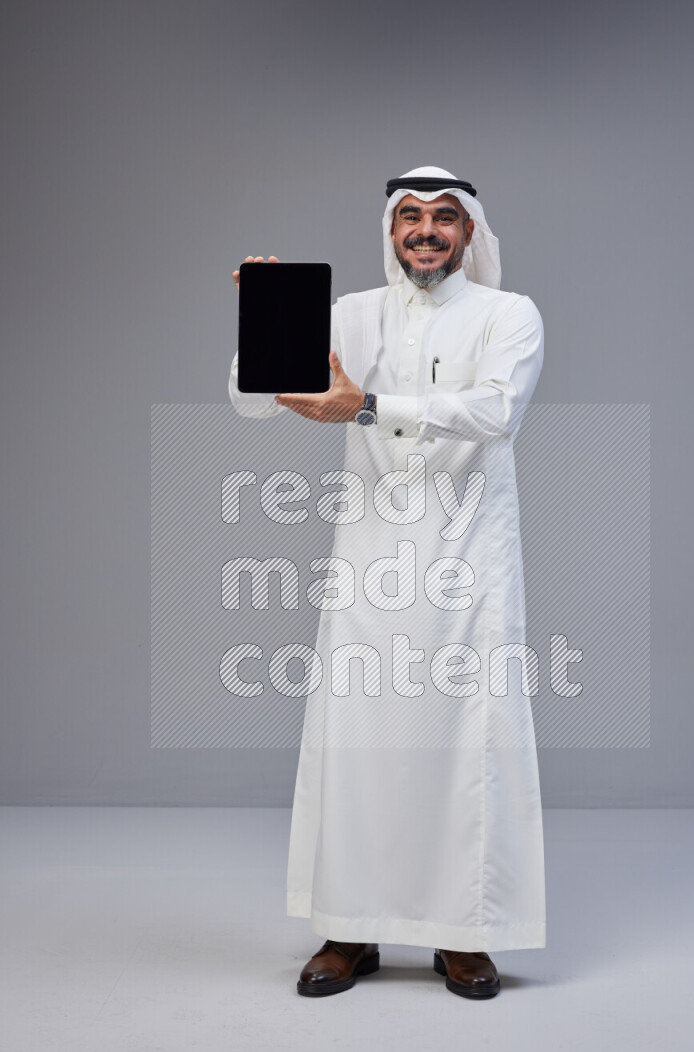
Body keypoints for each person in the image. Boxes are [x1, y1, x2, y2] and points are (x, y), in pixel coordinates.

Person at [228, 166, 545, 999]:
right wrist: (263, 318)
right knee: (358, 746)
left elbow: (495, 410)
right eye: (411, 217)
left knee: (464, 748)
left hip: (468, 562)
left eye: (446, 218)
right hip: (368, 563)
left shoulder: (509, 315)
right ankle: (350, 929)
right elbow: (253, 400)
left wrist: (367, 405)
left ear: (471, 232)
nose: (428, 231)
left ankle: (463, 935)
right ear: (391, 231)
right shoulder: (351, 316)